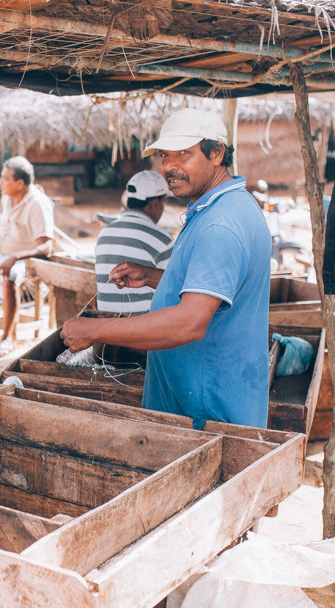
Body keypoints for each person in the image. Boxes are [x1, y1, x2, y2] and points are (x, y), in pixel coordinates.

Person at [61, 109, 271, 429]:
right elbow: (211, 289)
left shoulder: (220, 225)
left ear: (217, 154)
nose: (170, 167)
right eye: (164, 155)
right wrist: (154, 277)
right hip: (200, 402)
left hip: (209, 416)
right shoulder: (218, 207)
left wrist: (95, 330)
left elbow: (189, 322)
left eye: (184, 154)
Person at [0, 156, 54, 358]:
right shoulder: (8, 196)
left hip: (25, 259)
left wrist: (16, 256)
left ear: (20, 183)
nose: (0, 182)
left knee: (10, 275)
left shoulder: (37, 204)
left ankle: (8, 338)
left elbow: (46, 246)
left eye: (5, 179)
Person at [95, 170, 174, 314]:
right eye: (164, 202)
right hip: (142, 325)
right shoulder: (162, 239)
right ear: (154, 204)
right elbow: (173, 285)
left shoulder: (104, 232)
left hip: (104, 319)